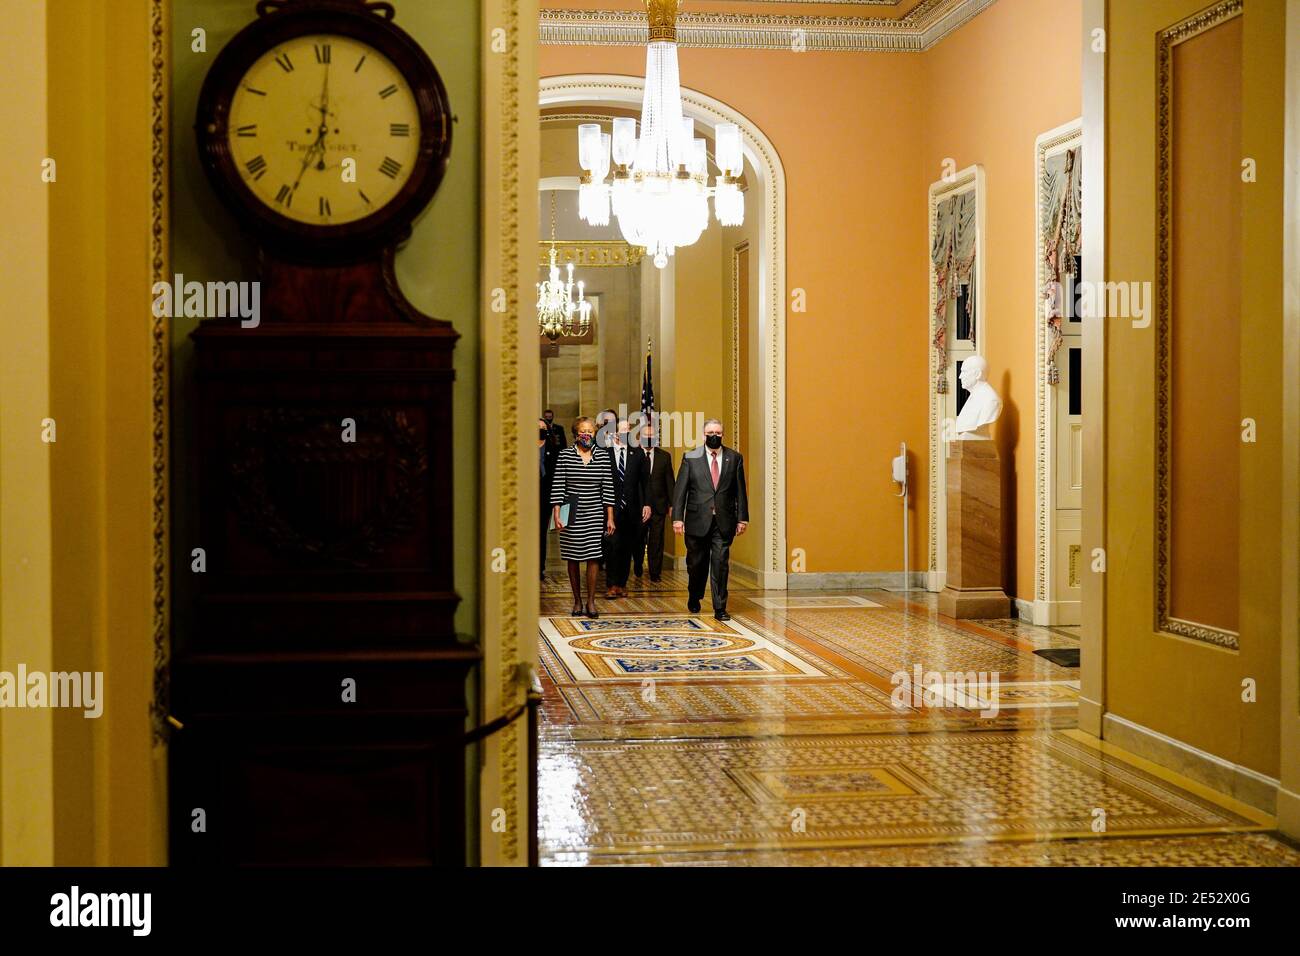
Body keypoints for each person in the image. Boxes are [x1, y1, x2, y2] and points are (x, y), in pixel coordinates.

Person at [672, 419, 749, 621]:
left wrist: (742, 518)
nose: (714, 435)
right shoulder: (691, 457)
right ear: (704, 435)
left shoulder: (734, 458)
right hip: (697, 520)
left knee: (720, 563)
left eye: (718, 432)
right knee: (696, 564)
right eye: (710, 432)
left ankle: (720, 607)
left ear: (723, 435)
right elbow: (680, 491)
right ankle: (694, 594)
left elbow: (740, 490)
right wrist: (677, 519)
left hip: (723, 521)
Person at [550, 417, 615, 618]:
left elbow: (608, 489)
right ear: (576, 434)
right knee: (573, 556)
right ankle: (577, 600)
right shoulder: (565, 455)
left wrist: (610, 518)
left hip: (595, 510)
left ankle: (591, 601)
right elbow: (558, 486)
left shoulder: (602, 456)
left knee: (593, 556)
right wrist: (557, 514)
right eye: (583, 431)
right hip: (571, 509)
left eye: (591, 431)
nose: (587, 435)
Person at [604, 418, 649, 598]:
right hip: (610, 509)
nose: (625, 433)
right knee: (612, 546)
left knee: (627, 548)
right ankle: (611, 585)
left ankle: (621, 584)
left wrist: (647, 503)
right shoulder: (604, 453)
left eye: (628, 430)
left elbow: (645, 481)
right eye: (621, 430)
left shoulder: (637, 453)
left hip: (632, 509)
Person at [634, 416, 674, 582]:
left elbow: (670, 482)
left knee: (656, 541)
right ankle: (637, 564)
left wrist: (672, 505)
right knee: (638, 539)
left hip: (659, 505)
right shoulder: (633, 454)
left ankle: (655, 572)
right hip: (639, 505)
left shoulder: (664, 456)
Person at [537, 417, 560, 581]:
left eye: (542, 427)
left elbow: (556, 475)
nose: (540, 429)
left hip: (545, 495)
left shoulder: (552, 447)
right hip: (528, 494)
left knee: (540, 533)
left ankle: (539, 567)